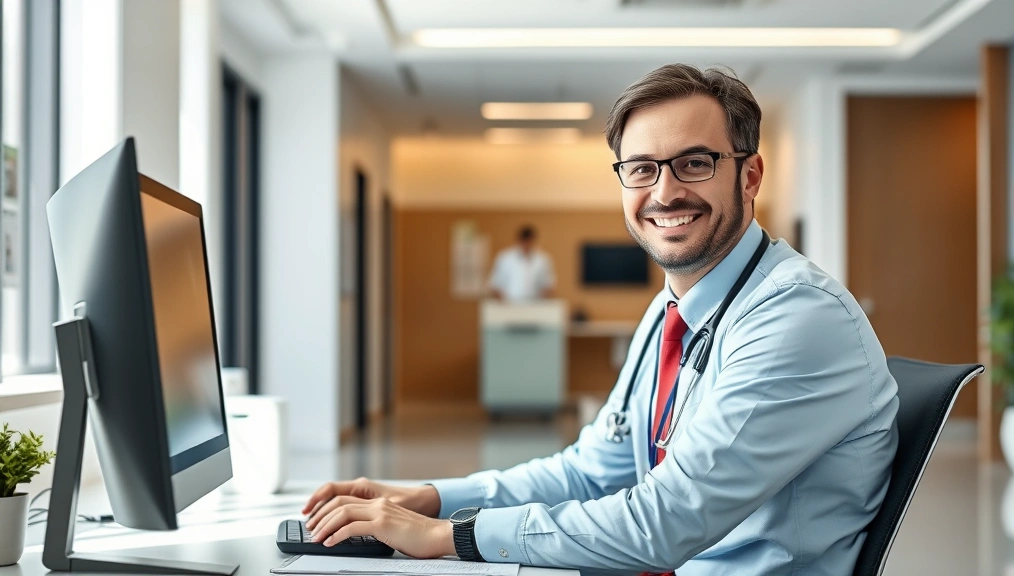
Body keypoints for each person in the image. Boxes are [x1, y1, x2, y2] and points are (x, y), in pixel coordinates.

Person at [300, 64, 898, 575]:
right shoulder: (671, 312)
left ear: (749, 175)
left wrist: (449, 537)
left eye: (694, 162)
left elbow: (665, 522)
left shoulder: (797, 318)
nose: (664, 192)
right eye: (640, 168)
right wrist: (431, 500)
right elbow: (591, 473)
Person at [487, 225, 556, 301]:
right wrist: (502, 302)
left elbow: (549, 284)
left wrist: (542, 298)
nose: (526, 245)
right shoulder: (504, 258)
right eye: (524, 241)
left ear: (533, 241)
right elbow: (495, 284)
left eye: (529, 241)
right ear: (519, 240)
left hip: (535, 305)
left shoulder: (543, 259)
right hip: (508, 304)